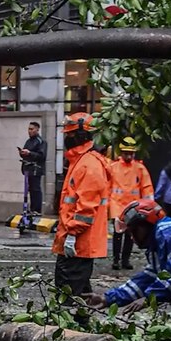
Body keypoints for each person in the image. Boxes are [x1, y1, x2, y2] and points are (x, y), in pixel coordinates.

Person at [53, 112, 111, 301]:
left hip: (79, 243)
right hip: (77, 242)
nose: (67, 138)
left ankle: (71, 329)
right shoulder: (81, 161)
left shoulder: (89, 165)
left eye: (69, 135)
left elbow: (86, 209)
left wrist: (71, 234)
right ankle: (80, 326)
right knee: (79, 293)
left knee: (68, 295)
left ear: (81, 136)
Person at [108, 137, 154, 270]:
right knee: (118, 234)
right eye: (126, 153)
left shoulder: (140, 168)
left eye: (130, 153)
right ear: (121, 152)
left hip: (133, 206)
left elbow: (147, 188)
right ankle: (116, 260)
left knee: (130, 235)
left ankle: (125, 260)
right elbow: (107, 186)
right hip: (117, 205)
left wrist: (148, 207)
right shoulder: (113, 168)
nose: (128, 155)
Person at [18, 121, 46, 215]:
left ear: (37, 130)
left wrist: (30, 153)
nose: (29, 131)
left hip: (35, 169)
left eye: (31, 129)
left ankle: (37, 210)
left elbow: (42, 156)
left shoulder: (41, 142)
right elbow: (26, 155)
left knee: (35, 189)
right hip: (28, 169)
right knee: (30, 189)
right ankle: (31, 209)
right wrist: (23, 153)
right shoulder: (28, 141)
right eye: (28, 129)